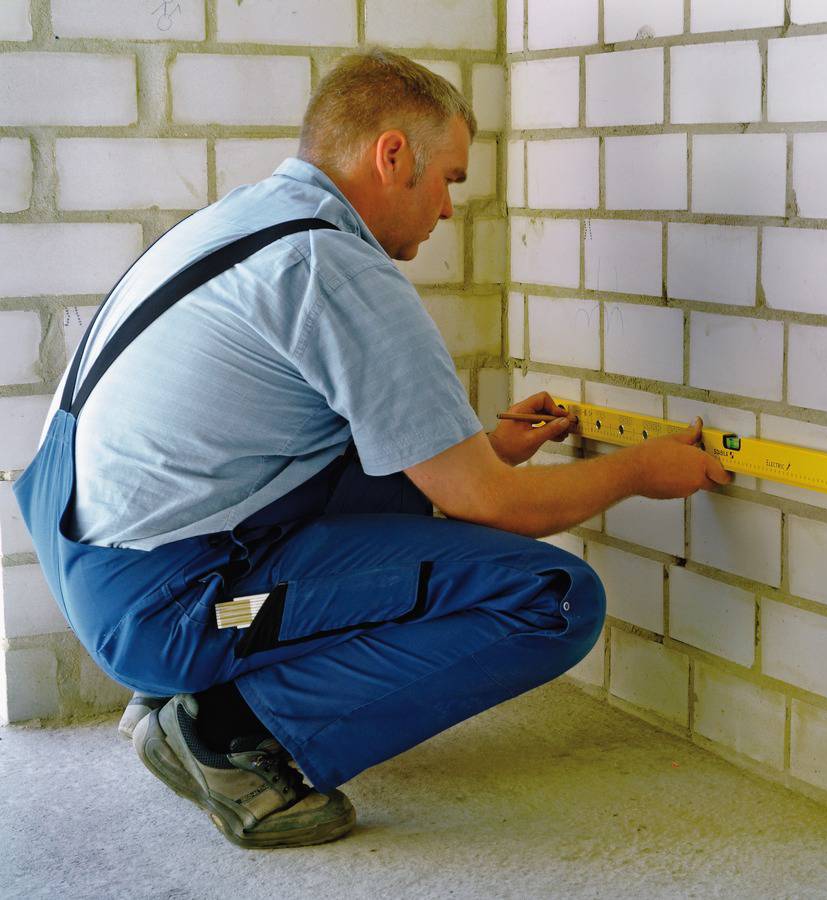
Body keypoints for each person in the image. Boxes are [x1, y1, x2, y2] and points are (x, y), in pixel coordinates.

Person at [14, 49, 731, 850]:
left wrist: (482, 449)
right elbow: (489, 507)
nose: (450, 211)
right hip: (168, 604)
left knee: (406, 494)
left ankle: (183, 693)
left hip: (99, 559)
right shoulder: (335, 266)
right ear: (393, 156)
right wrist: (638, 470)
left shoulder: (243, 220)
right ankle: (231, 736)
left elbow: (356, 464)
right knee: (555, 598)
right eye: (450, 180)